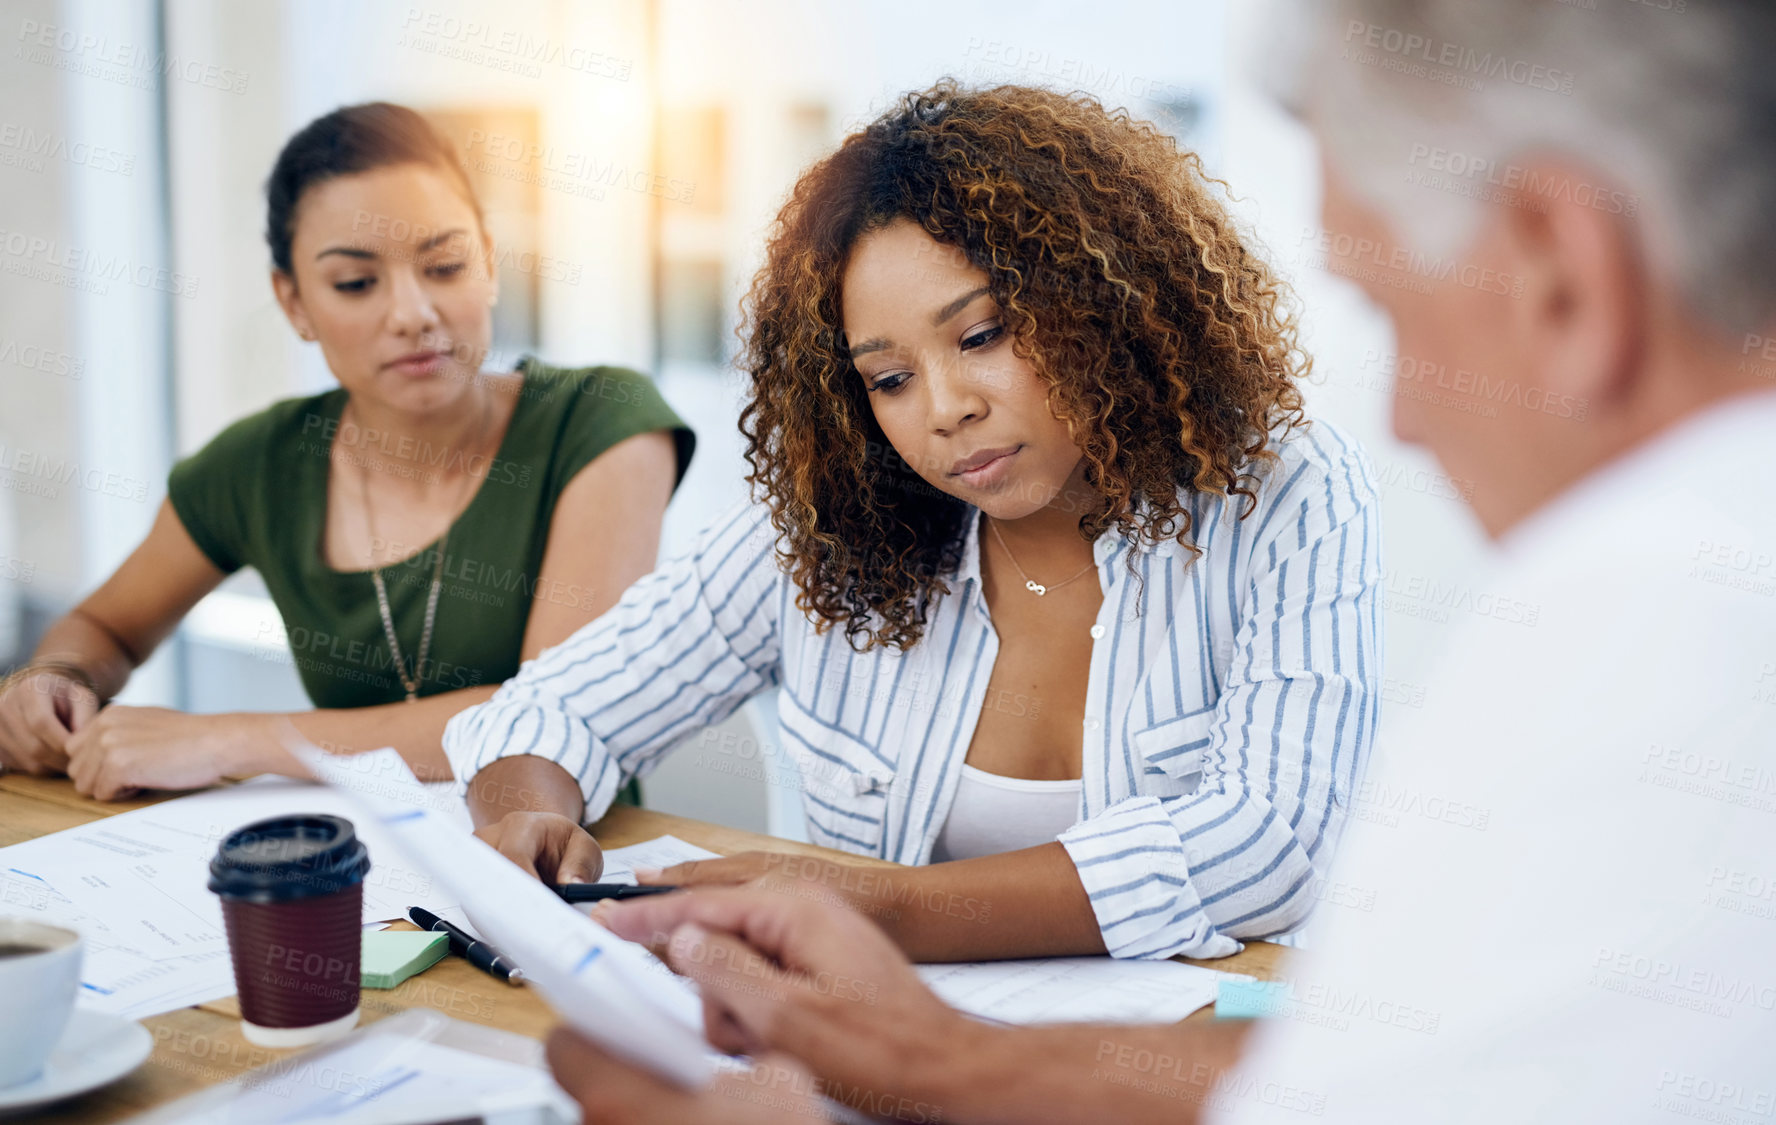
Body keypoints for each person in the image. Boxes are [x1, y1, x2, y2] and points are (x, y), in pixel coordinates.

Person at [543, 0, 1776, 1120]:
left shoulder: (1659, 627)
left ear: (1565, 272)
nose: (1406, 411)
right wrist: (924, 1055)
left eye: (1393, 310)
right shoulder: (1677, 613)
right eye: (888, 377)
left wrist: (860, 1014)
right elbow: (1379, 1074)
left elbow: (1290, 895)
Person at [449, 82, 1384, 964]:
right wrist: (524, 816)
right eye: (889, 379)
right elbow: (550, 708)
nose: (943, 409)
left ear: (1105, 307)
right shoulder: (838, 528)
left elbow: (1269, 846)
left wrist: (868, 906)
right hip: (868, 1060)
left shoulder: (1280, 494)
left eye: (982, 336)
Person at [0, 102, 694, 800]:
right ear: (294, 303)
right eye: (356, 283)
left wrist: (228, 738)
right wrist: (55, 679)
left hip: (564, 873)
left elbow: (554, 712)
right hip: (354, 873)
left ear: (489, 264)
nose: (412, 312)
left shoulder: (601, 421)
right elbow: (103, 626)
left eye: (445, 265)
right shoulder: (261, 463)